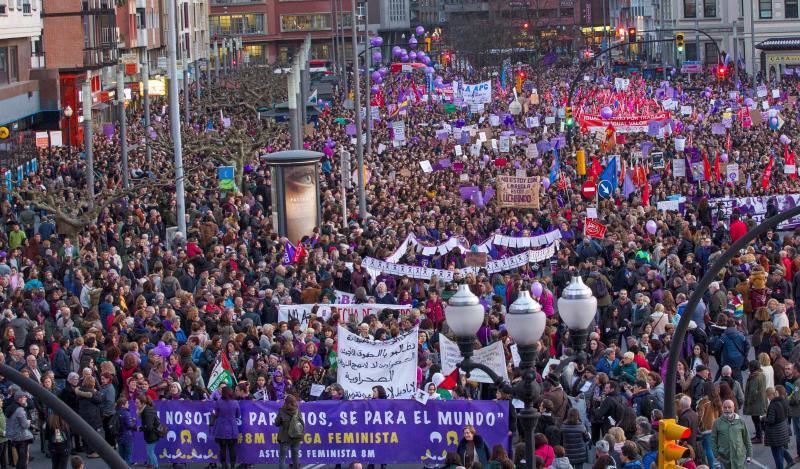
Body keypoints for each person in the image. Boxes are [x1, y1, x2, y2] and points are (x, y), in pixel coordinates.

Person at [711, 399, 752, 469]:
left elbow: (747, 439)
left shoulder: (741, 421)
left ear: (733, 408)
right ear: (722, 408)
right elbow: (713, 440)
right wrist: (716, 455)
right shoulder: (717, 423)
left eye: (729, 407)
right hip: (724, 459)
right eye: (725, 407)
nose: (727, 409)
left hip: (739, 458)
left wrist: (749, 454)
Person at [212, 386, 241, 469]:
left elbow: (215, 413)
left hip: (221, 428)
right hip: (232, 428)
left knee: (222, 448)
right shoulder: (235, 402)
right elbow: (238, 415)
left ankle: (224, 465)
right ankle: (232, 466)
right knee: (232, 448)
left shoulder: (218, 402)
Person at [764, 387, 793, 469]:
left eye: (768, 396)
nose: (768, 399)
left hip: (775, 432)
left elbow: (771, 420)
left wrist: (763, 418)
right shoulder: (783, 401)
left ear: (771, 395)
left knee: (777, 453)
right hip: (783, 429)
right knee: (780, 448)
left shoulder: (773, 405)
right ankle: (790, 460)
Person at [697, 382, 722, 469]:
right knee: (715, 447)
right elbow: (721, 414)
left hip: (707, 428)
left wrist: (699, 426)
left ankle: (711, 466)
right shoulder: (717, 399)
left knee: (708, 448)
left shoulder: (703, 402)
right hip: (717, 426)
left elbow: (700, 416)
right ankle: (718, 465)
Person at [275, 394, 303, 469]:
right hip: (296, 437)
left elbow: (277, 423)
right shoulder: (297, 411)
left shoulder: (282, 411)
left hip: (285, 437)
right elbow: (302, 424)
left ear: (286, 402)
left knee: (282, 458)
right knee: (295, 458)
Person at [6, 390, 32, 469]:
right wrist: (29, 422)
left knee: (20, 458)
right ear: (19, 399)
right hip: (21, 437)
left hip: (14, 436)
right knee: (22, 459)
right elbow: (25, 425)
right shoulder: (20, 410)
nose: (25, 399)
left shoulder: (11, 408)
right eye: (24, 397)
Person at [743, 360, 767, 444]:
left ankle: (759, 436)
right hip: (761, 400)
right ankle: (759, 435)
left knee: (756, 420)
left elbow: (752, 392)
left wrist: (748, 402)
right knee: (757, 419)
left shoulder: (754, 377)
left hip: (755, 403)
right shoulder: (762, 375)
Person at [137, 394, 161, 469]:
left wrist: (141, 428)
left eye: (137, 403)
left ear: (143, 403)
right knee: (149, 451)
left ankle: (155, 466)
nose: (136, 404)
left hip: (152, 435)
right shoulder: (146, 409)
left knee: (150, 452)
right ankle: (150, 466)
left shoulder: (147, 412)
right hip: (151, 434)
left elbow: (148, 426)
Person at [113, 397, 137, 466]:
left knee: (121, 456)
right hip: (127, 437)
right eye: (127, 403)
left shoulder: (116, 412)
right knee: (128, 456)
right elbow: (129, 425)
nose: (128, 404)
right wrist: (134, 421)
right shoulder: (126, 413)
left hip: (119, 437)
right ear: (123, 405)